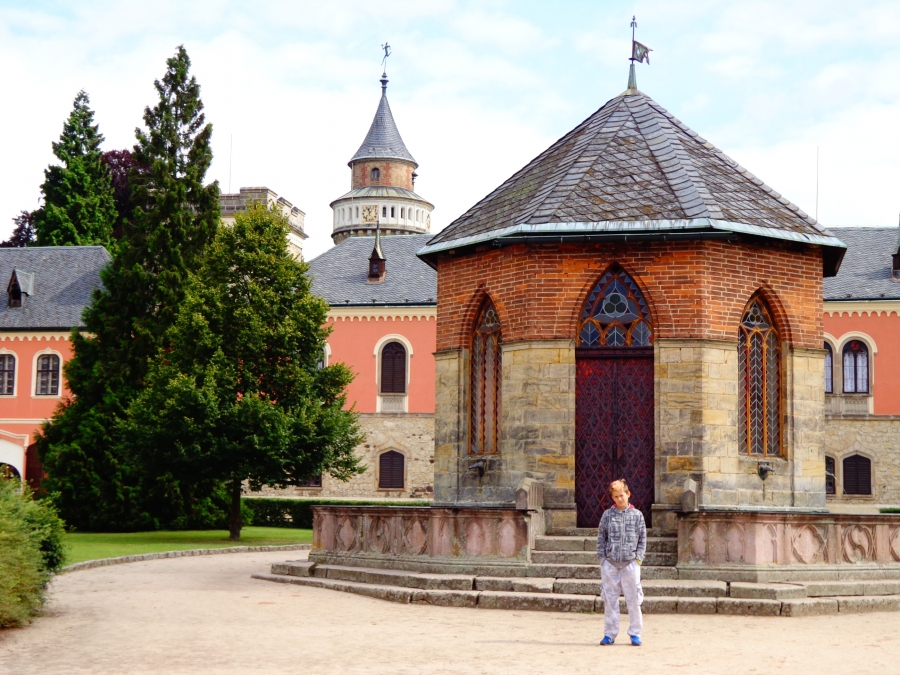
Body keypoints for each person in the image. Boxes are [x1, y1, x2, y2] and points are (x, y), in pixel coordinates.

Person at [596, 478, 646, 646]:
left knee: (634, 600)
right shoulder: (607, 515)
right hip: (610, 564)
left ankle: (635, 633)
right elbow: (601, 538)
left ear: (628, 494)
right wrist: (603, 559)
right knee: (610, 600)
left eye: (621, 495)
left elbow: (642, 539)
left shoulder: (637, 515)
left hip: (630, 563)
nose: (619, 499)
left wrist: (638, 559)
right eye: (616, 496)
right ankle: (610, 634)